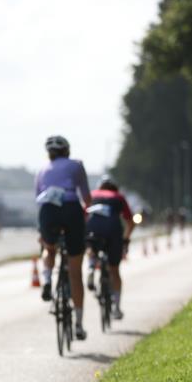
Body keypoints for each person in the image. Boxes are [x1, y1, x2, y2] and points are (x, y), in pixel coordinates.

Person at [35, 135, 91, 339]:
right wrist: (87, 213)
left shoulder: (41, 169)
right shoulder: (76, 165)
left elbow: (37, 198)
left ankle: (47, 280)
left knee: (49, 248)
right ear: (67, 151)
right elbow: (86, 197)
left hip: (48, 209)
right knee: (75, 272)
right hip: (70, 209)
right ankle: (78, 324)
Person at [85, 175, 135, 320]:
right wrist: (125, 240)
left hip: (93, 227)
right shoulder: (118, 197)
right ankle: (117, 309)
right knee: (114, 270)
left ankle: (91, 265)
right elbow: (130, 222)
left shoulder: (92, 195)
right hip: (112, 229)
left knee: (91, 245)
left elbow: (83, 215)